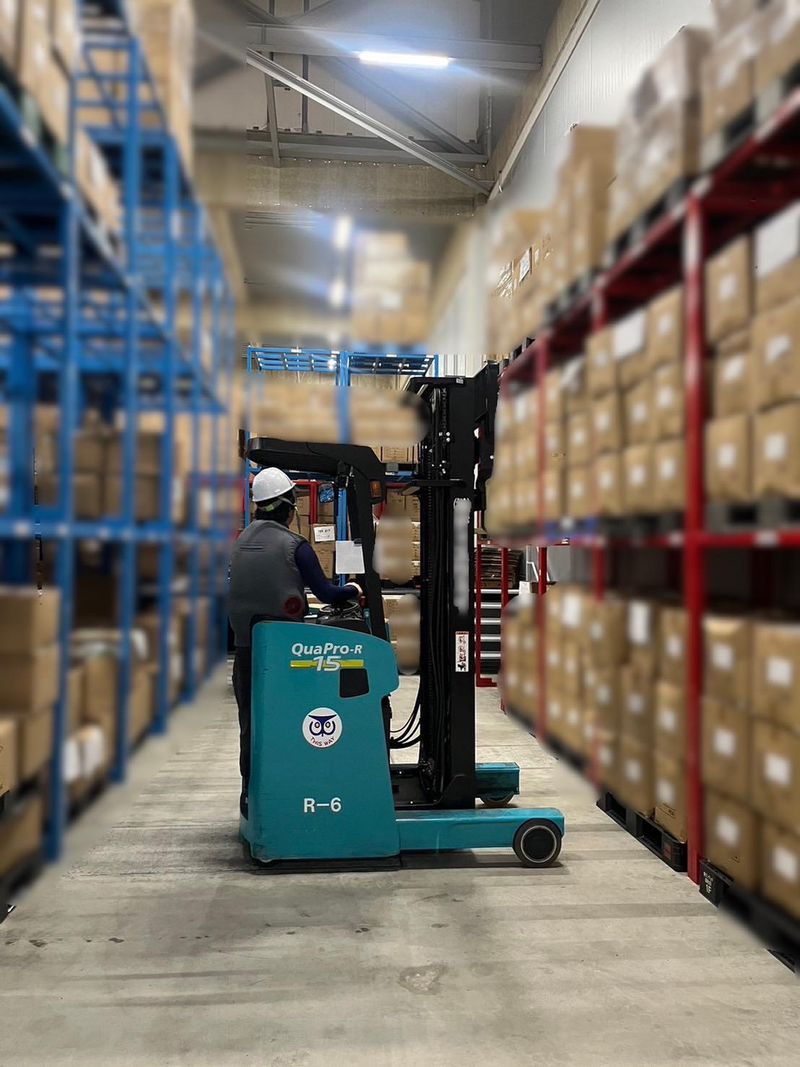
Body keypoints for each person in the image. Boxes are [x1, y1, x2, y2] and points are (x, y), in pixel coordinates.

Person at [228, 467, 361, 816]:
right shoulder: (295, 546)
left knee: (251, 725)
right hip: (289, 654)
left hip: (247, 653)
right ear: (289, 506)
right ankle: (295, 794)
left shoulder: (239, 543)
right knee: (295, 723)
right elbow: (327, 593)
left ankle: (251, 794)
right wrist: (353, 589)